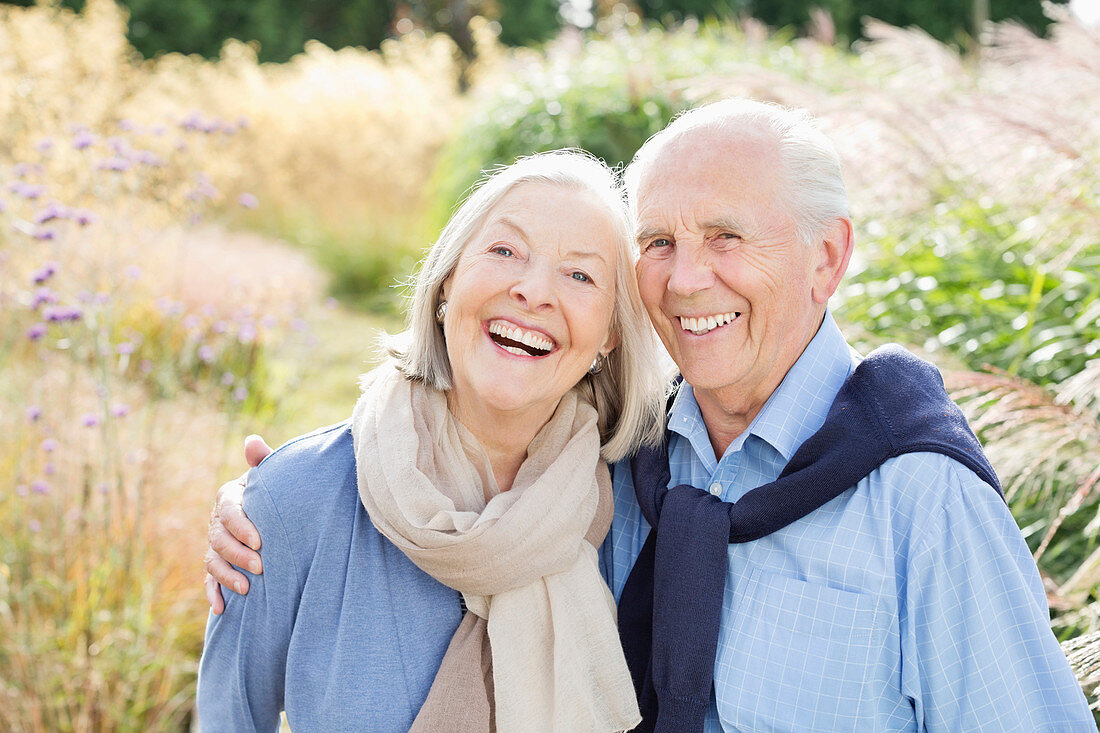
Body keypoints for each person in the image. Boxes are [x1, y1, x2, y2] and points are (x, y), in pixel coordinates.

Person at [205, 100, 1094, 731]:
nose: (686, 278)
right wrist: (272, 498)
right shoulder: (623, 470)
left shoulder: (918, 498)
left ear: (828, 257)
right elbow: (467, 422)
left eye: (727, 237)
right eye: (659, 243)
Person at [196, 150, 670, 732]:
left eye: (580, 275)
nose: (533, 291)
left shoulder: (639, 503)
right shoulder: (295, 498)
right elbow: (228, 718)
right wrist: (270, 496)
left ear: (612, 334)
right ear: (447, 282)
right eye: (504, 251)